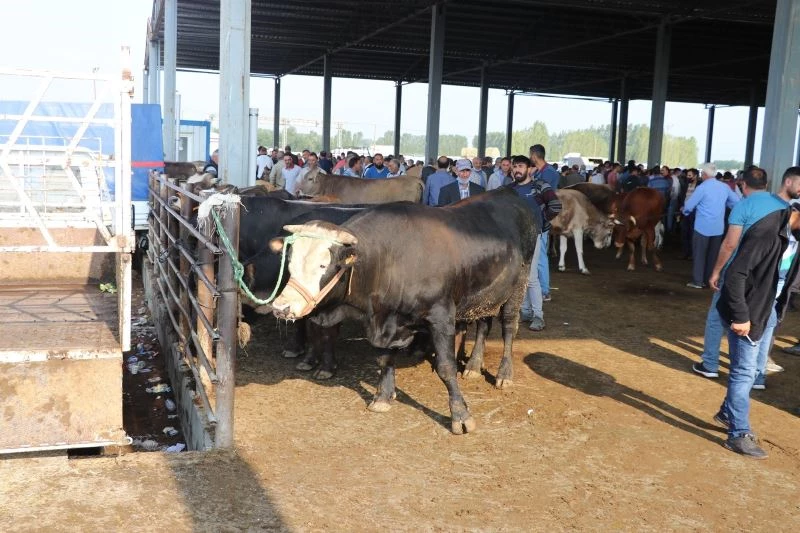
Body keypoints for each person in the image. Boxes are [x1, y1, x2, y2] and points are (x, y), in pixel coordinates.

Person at [713, 199, 800, 458]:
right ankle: (738, 434)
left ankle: (728, 412)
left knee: (756, 370)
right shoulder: (767, 231)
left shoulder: (794, 234)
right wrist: (741, 316)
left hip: (768, 308)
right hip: (748, 311)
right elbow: (735, 274)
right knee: (743, 372)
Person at [692, 168, 792, 384]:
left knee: (716, 316)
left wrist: (717, 271)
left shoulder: (743, 205)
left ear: (742, 185)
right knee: (768, 317)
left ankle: (710, 363)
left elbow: (730, 244)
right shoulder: (783, 206)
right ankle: (758, 374)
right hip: (769, 274)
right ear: (767, 183)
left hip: (739, 271)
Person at [682, 162, 739, 289]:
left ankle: (697, 281)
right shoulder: (724, 187)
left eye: (702, 173)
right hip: (718, 228)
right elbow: (736, 202)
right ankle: (709, 280)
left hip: (702, 227)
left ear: (704, 174)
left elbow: (689, 205)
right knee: (713, 256)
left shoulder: (702, 188)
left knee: (699, 254)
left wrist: (684, 211)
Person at [509, 155, 547, 331]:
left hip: (532, 237)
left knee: (531, 278)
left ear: (529, 169)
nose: (517, 169)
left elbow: (555, 205)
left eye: (521, 166)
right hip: (513, 237)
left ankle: (538, 315)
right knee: (518, 276)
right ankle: (524, 310)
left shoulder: (539, 187)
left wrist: (541, 224)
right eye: (515, 166)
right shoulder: (509, 190)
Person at [530, 144, 559, 302]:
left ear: (534, 156)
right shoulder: (545, 171)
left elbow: (538, 192)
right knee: (539, 253)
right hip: (539, 215)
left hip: (541, 216)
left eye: (530, 155)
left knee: (540, 254)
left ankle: (545, 290)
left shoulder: (547, 173)